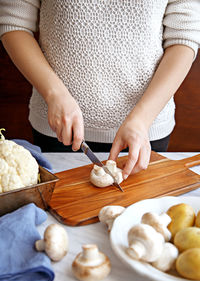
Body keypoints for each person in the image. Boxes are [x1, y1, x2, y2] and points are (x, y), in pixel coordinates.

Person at [0, 1, 200, 180]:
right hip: (58, 127)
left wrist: (141, 120)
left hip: (145, 130)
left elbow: (183, 37)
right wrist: (55, 94)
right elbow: (14, 22)